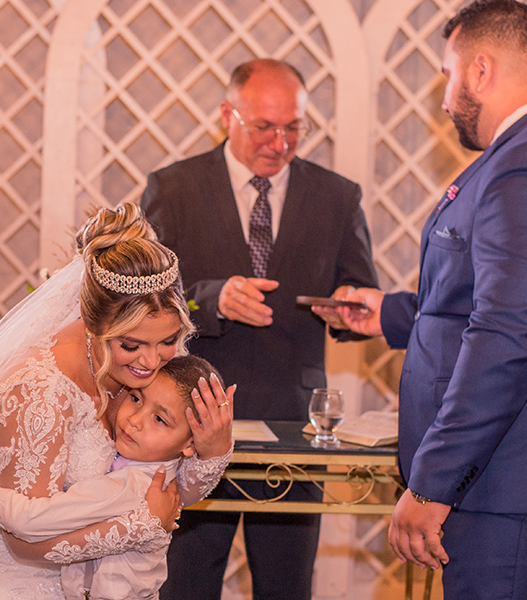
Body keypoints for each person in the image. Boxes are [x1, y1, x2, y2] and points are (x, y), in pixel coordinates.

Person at [318, 1, 527, 598]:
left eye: (447, 73)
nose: (443, 99)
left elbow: (509, 336)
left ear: (481, 69)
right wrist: (390, 313)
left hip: (523, 479)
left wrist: (432, 484)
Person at [0, 202, 234, 600]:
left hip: (84, 570)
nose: (152, 360)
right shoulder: (42, 392)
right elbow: (23, 541)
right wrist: (143, 527)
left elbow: (159, 488)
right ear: (93, 325)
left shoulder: (148, 367)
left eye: (168, 340)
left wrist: (212, 451)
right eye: (131, 344)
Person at [141, 59, 379, 600]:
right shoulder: (173, 188)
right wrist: (209, 299)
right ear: (229, 115)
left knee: (287, 587)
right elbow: (140, 300)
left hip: (293, 427)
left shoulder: (339, 198)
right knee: (185, 584)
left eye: (294, 127)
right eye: (265, 127)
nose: (281, 141)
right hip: (190, 420)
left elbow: (359, 292)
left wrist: (348, 308)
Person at [0, 355, 225, 600]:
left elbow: (29, 521)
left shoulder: (129, 487)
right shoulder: (157, 469)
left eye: (159, 419)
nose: (135, 420)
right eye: (136, 399)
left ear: (191, 445)